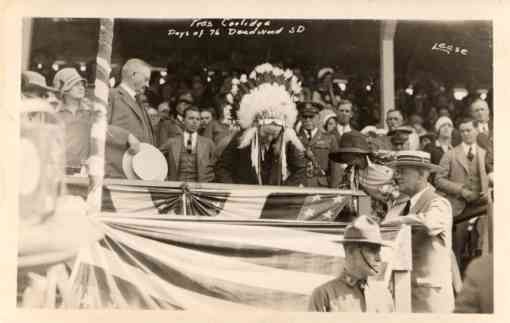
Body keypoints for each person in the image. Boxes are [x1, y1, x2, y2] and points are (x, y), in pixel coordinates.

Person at [382, 150, 454, 313]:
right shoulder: (399, 206)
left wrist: (399, 220)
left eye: (402, 172)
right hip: (401, 294)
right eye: (396, 171)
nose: (396, 176)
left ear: (422, 174)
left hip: (429, 298)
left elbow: (430, 222)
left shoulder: (439, 203)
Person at [215, 64, 306, 186]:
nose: (269, 138)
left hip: (274, 198)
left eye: (274, 135)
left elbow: (300, 169)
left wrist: (283, 191)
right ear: (257, 129)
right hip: (245, 196)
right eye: (266, 134)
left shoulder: (287, 140)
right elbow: (222, 167)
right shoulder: (242, 138)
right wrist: (233, 189)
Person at [434, 117, 492, 270]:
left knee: (484, 249)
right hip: (459, 210)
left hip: (482, 207)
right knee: (456, 251)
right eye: (462, 131)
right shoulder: (451, 154)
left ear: (476, 130)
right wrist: (460, 190)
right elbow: (438, 179)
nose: (466, 134)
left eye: (469, 130)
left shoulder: (485, 153)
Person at [308, 215, 394, 312]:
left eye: (379, 251)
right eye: (372, 250)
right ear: (350, 251)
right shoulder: (324, 295)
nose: (379, 258)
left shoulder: (383, 295)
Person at [106, 58, 154, 178]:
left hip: (139, 171)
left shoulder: (139, 101)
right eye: (146, 79)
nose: (147, 84)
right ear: (133, 75)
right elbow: (100, 126)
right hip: (117, 171)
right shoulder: (111, 95)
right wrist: (126, 136)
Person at [52, 68, 93, 174]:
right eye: (76, 84)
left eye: (82, 84)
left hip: (85, 171)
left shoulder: (91, 112)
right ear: (64, 90)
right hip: (59, 171)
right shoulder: (53, 114)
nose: (81, 88)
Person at [160, 107, 216, 182]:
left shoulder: (208, 143)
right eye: (191, 118)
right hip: (176, 187)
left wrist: (208, 180)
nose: (194, 122)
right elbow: (155, 157)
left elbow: (217, 165)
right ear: (183, 120)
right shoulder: (172, 142)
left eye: (198, 119)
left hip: (200, 189)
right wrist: (164, 177)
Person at [297, 101, 341, 188]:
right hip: (299, 186)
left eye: (311, 117)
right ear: (300, 118)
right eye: (304, 117)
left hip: (320, 187)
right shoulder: (294, 138)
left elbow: (335, 170)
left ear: (318, 117)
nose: (308, 120)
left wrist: (333, 192)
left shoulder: (329, 139)